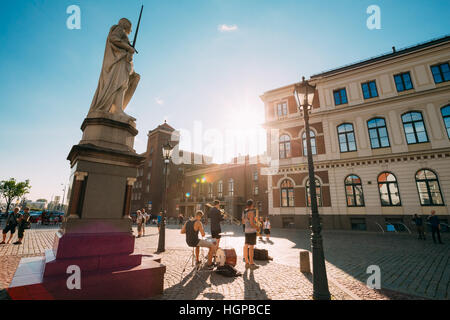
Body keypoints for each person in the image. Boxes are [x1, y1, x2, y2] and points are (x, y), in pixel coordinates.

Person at [242, 199, 259, 270]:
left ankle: (246, 263)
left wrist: (248, 222)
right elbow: (252, 223)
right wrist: (257, 227)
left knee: (246, 246)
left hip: (246, 230)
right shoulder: (251, 212)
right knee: (251, 248)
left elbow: (243, 222)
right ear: (252, 205)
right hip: (252, 231)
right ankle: (251, 263)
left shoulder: (244, 211)